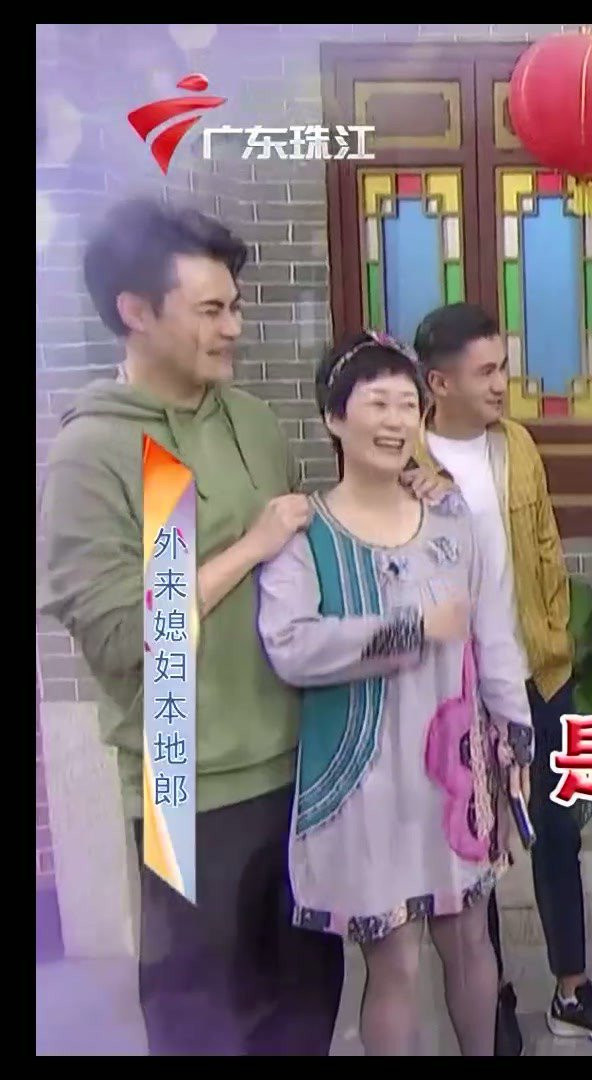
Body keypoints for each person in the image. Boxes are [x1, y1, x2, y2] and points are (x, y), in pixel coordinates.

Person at [38, 198, 346, 1055]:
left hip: (294, 767)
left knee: (306, 1003)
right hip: (182, 783)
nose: (233, 328)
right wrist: (247, 546)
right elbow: (121, 639)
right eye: (211, 310)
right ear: (136, 311)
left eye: (235, 307)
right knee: (204, 1022)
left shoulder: (249, 420)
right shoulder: (99, 451)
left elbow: (301, 562)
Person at [256, 333, 534, 1056]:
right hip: (365, 778)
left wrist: (515, 731)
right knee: (396, 961)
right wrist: (408, 629)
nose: (393, 420)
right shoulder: (305, 532)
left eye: (406, 404)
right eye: (375, 403)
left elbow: (492, 629)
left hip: (456, 772)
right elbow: (291, 647)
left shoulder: (451, 516)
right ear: (333, 418)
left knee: (469, 937)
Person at [411, 303, 592, 1054]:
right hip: (455, 694)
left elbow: (545, 548)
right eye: (484, 372)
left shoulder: (515, 445)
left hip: (539, 675)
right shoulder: (408, 461)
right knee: (477, 854)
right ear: (438, 383)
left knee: (559, 835)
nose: (500, 384)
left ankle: (572, 989)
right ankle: (494, 998)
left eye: (502, 368)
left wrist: (555, 640)